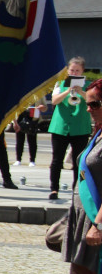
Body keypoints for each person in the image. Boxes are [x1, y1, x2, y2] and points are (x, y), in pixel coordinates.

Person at [43, 80, 102, 274]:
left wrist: (99, 222)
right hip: (83, 214)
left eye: (95, 104)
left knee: (87, 273)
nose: (89, 109)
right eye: (88, 103)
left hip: (97, 217)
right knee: (81, 273)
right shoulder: (97, 132)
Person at [49, 57, 91, 200]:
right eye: (72, 70)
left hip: (80, 128)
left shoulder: (89, 86)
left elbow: (93, 102)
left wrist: (81, 92)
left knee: (78, 161)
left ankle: (76, 189)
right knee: (56, 159)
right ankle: (54, 189)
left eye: (77, 71)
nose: (74, 72)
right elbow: (54, 101)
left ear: (82, 72)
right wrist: (68, 91)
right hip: (60, 126)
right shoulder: (60, 83)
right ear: (67, 71)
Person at [13, 97, 46, 167]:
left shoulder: (39, 92)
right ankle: (18, 159)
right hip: (21, 116)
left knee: (32, 140)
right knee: (19, 140)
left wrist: (42, 107)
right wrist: (14, 122)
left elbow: (45, 107)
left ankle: (32, 160)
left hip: (33, 117)